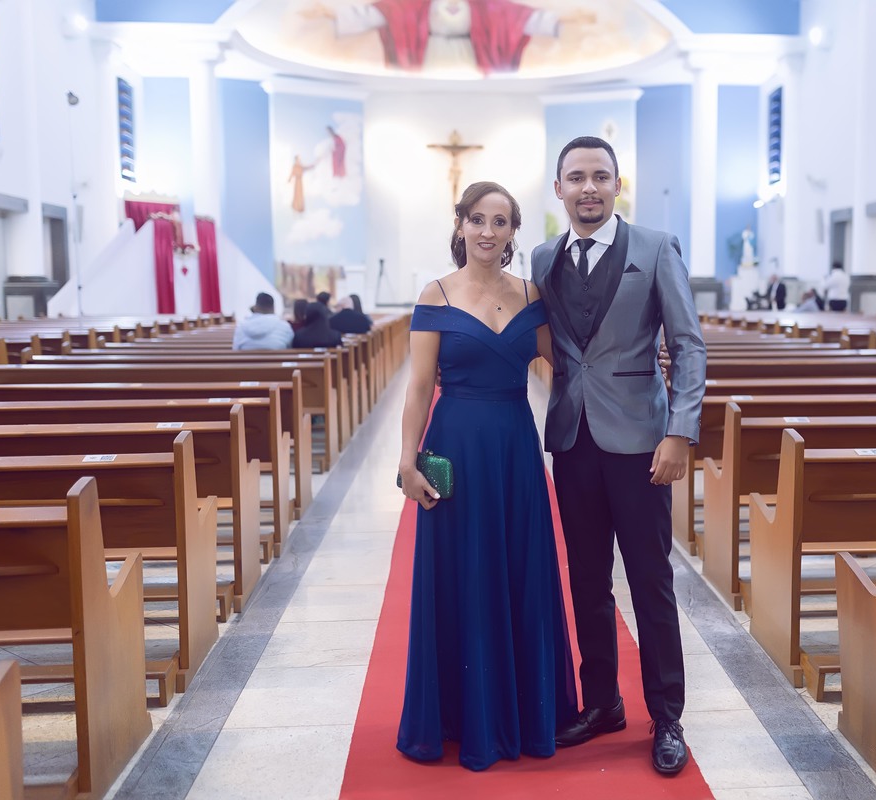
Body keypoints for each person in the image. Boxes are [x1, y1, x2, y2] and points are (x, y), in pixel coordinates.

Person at [531, 136, 706, 776]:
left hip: (641, 446)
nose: (589, 188)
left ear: (616, 184)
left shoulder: (657, 248)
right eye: (576, 177)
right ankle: (603, 701)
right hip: (573, 441)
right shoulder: (544, 257)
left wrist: (679, 431)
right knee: (586, 581)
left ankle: (667, 715)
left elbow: (688, 346)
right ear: (559, 189)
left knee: (650, 580)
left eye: (600, 176)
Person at [397, 181, 577, 770]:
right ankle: (461, 714)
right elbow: (419, 387)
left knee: (519, 567)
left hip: (514, 450)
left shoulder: (530, 294)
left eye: (500, 222)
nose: (487, 231)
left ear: (512, 233)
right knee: (462, 571)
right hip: (455, 447)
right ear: (461, 225)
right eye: (477, 219)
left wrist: (643, 361)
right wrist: (407, 461)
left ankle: (521, 710)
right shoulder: (436, 294)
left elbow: (566, 363)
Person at [304, 0, 593, 76]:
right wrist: (333, 15)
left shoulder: (485, 6)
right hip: (433, 53)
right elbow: (381, 13)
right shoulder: (414, 4)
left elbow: (516, 17)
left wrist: (562, 21)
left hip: (469, 56)